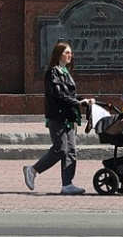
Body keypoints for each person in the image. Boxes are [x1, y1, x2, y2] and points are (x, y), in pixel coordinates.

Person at [23, 41, 93, 195]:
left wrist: (84, 100)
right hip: (58, 117)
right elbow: (59, 95)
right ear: (58, 54)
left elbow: (70, 95)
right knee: (60, 149)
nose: (70, 55)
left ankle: (67, 184)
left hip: (68, 117)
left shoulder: (65, 72)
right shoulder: (53, 73)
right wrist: (78, 102)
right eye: (66, 52)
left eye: (71, 53)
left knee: (71, 151)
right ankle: (33, 170)